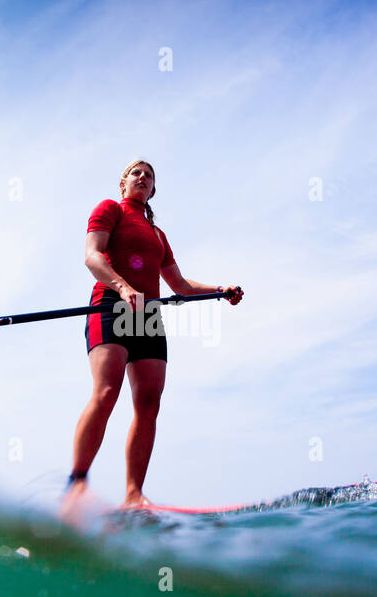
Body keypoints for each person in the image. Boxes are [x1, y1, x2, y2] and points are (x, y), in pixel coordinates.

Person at [62, 160, 242, 511]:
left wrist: (220, 289)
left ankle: (133, 495)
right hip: (112, 305)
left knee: (149, 403)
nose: (142, 178)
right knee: (107, 391)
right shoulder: (110, 209)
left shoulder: (159, 236)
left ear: (153, 190)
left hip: (148, 318)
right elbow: (92, 256)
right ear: (123, 183)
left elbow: (180, 285)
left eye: (149, 176)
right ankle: (77, 483)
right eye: (136, 173)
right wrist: (124, 287)